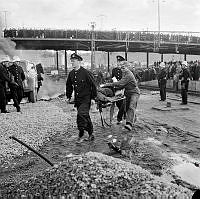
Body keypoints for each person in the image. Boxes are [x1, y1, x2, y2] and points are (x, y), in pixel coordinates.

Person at [66, 53, 97, 142]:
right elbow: (69, 85)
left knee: (81, 114)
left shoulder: (86, 72)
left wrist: (93, 98)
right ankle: (91, 133)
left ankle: (81, 132)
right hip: (78, 99)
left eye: (74, 61)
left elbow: (93, 85)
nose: (72, 63)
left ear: (79, 61)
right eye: (71, 61)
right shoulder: (71, 73)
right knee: (85, 116)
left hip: (86, 98)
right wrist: (68, 96)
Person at [104, 61, 140, 131]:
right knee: (126, 108)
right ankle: (133, 118)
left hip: (134, 92)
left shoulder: (129, 74)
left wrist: (107, 84)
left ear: (127, 67)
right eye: (121, 68)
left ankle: (129, 124)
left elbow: (120, 83)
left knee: (131, 106)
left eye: (124, 68)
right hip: (127, 92)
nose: (122, 69)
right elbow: (122, 85)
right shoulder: (124, 73)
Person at [111, 55, 126, 124]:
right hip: (116, 89)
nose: (119, 63)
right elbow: (112, 78)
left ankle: (119, 118)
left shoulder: (126, 70)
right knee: (118, 104)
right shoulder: (114, 70)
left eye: (120, 61)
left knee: (123, 103)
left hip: (124, 89)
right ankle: (125, 114)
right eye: (118, 61)